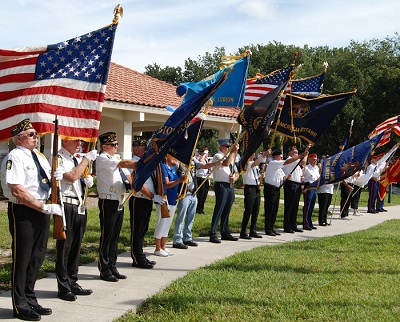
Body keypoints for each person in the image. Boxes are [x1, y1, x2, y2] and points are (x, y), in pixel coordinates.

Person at [1, 119, 62, 321]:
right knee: (23, 257)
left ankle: (30, 298)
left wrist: (57, 177)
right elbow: (17, 190)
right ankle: (19, 305)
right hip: (24, 211)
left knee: (37, 257)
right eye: (31, 134)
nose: (36, 137)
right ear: (19, 138)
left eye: (36, 134)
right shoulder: (14, 156)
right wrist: (43, 206)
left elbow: (45, 182)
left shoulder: (40, 157)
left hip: (41, 209)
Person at [53, 139, 98, 301]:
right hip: (66, 205)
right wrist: (86, 160)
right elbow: (71, 176)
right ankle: (63, 286)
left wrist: (86, 181)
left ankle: (73, 281)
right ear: (65, 141)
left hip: (79, 205)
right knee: (65, 247)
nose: (79, 143)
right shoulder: (58, 158)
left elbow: (79, 178)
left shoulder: (75, 158)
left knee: (76, 247)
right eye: (76, 141)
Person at [96, 132, 136, 282]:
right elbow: (125, 164)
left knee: (115, 237)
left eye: (117, 144)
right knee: (107, 236)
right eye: (113, 145)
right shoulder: (103, 158)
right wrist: (142, 162)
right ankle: (104, 268)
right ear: (105, 146)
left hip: (119, 200)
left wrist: (133, 183)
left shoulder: (116, 158)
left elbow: (127, 174)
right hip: (108, 200)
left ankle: (112, 266)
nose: (116, 147)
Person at [129, 137, 164, 269]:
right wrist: (153, 196)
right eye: (144, 148)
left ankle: (140, 255)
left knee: (143, 229)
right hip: (138, 199)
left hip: (147, 200)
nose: (146, 150)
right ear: (136, 149)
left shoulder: (144, 162)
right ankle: (137, 258)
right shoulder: (134, 162)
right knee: (137, 230)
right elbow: (137, 184)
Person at [153, 154, 186, 256]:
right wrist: (179, 180)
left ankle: (163, 246)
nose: (176, 159)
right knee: (161, 222)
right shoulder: (162, 167)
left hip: (173, 198)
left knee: (168, 223)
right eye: (174, 157)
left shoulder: (172, 168)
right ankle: (157, 248)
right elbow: (166, 184)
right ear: (167, 156)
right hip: (164, 198)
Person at [263, 149, 301, 236]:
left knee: (275, 209)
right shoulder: (273, 163)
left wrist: (287, 177)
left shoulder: (279, 169)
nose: (282, 157)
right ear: (275, 156)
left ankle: (271, 227)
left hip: (277, 189)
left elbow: (282, 178)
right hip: (270, 188)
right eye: (280, 155)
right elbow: (288, 161)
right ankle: (268, 228)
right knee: (269, 209)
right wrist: (300, 156)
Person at [209, 138, 240, 243]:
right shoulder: (218, 156)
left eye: (229, 146)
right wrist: (233, 151)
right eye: (227, 146)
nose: (228, 148)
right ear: (221, 146)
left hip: (230, 185)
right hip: (221, 185)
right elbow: (226, 163)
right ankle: (213, 233)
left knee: (227, 210)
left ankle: (225, 231)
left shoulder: (231, 157)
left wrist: (235, 178)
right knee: (219, 209)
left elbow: (236, 172)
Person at [282, 145, 310, 233]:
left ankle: (293, 225)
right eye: (294, 152)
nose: (296, 153)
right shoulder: (289, 160)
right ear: (290, 153)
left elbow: (304, 162)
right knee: (289, 206)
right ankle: (287, 226)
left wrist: (306, 151)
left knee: (295, 206)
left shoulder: (297, 162)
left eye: (297, 152)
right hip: (290, 184)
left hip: (297, 185)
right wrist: (303, 154)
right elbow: (302, 161)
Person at [172, 163, 198, 249]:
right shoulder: (179, 165)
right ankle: (177, 240)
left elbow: (204, 166)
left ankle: (187, 238)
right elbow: (172, 162)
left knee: (191, 217)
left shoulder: (192, 164)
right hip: (184, 193)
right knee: (181, 217)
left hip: (193, 193)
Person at [240, 153, 264, 239]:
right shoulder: (246, 163)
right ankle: (243, 231)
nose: (254, 154)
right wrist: (264, 156)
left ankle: (252, 230)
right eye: (252, 152)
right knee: (248, 210)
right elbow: (254, 164)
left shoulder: (255, 164)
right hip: (249, 188)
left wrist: (261, 178)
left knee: (255, 210)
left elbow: (256, 173)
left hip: (256, 187)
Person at [302, 153, 320, 230]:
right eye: (313, 160)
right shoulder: (306, 168)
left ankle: (309, 222)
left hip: (314, 188)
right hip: (308, 187)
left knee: (312, 206)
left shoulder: (316, 168)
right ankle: (305, 224)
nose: (315, 161)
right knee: (307, 206)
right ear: (309, 160)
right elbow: (302, 176)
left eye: (316, 160)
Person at [195, 147, 211, 215]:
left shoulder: (207, 159)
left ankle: (201, 208)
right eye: (205, 153)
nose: (206, 155)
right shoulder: (198, 157)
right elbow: (200, 162)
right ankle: (197, 208)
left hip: (206, 178)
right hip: (200, 178)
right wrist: (203, 155)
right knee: (200, 194)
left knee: (204, 194)